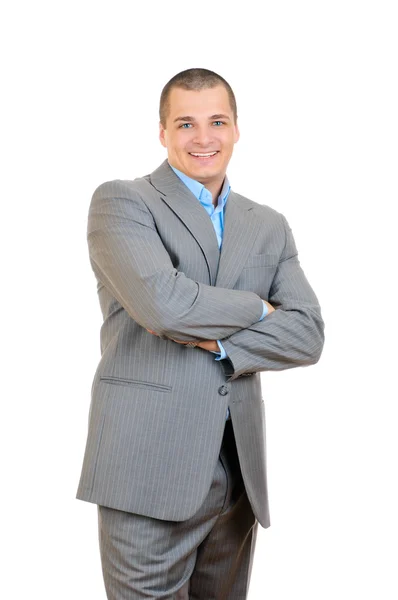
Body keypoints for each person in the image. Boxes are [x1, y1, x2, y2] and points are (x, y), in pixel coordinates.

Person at [76, 67, 325, 599]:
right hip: (146, 470)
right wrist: (260, 308)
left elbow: (307, 334)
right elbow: (164, 306)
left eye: (217, 121)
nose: (203, 138)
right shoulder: (123, 202)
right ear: (162, 132)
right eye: (185, 123)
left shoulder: (268, 224)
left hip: (237, 477)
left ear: (237, 129)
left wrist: (221, 343)